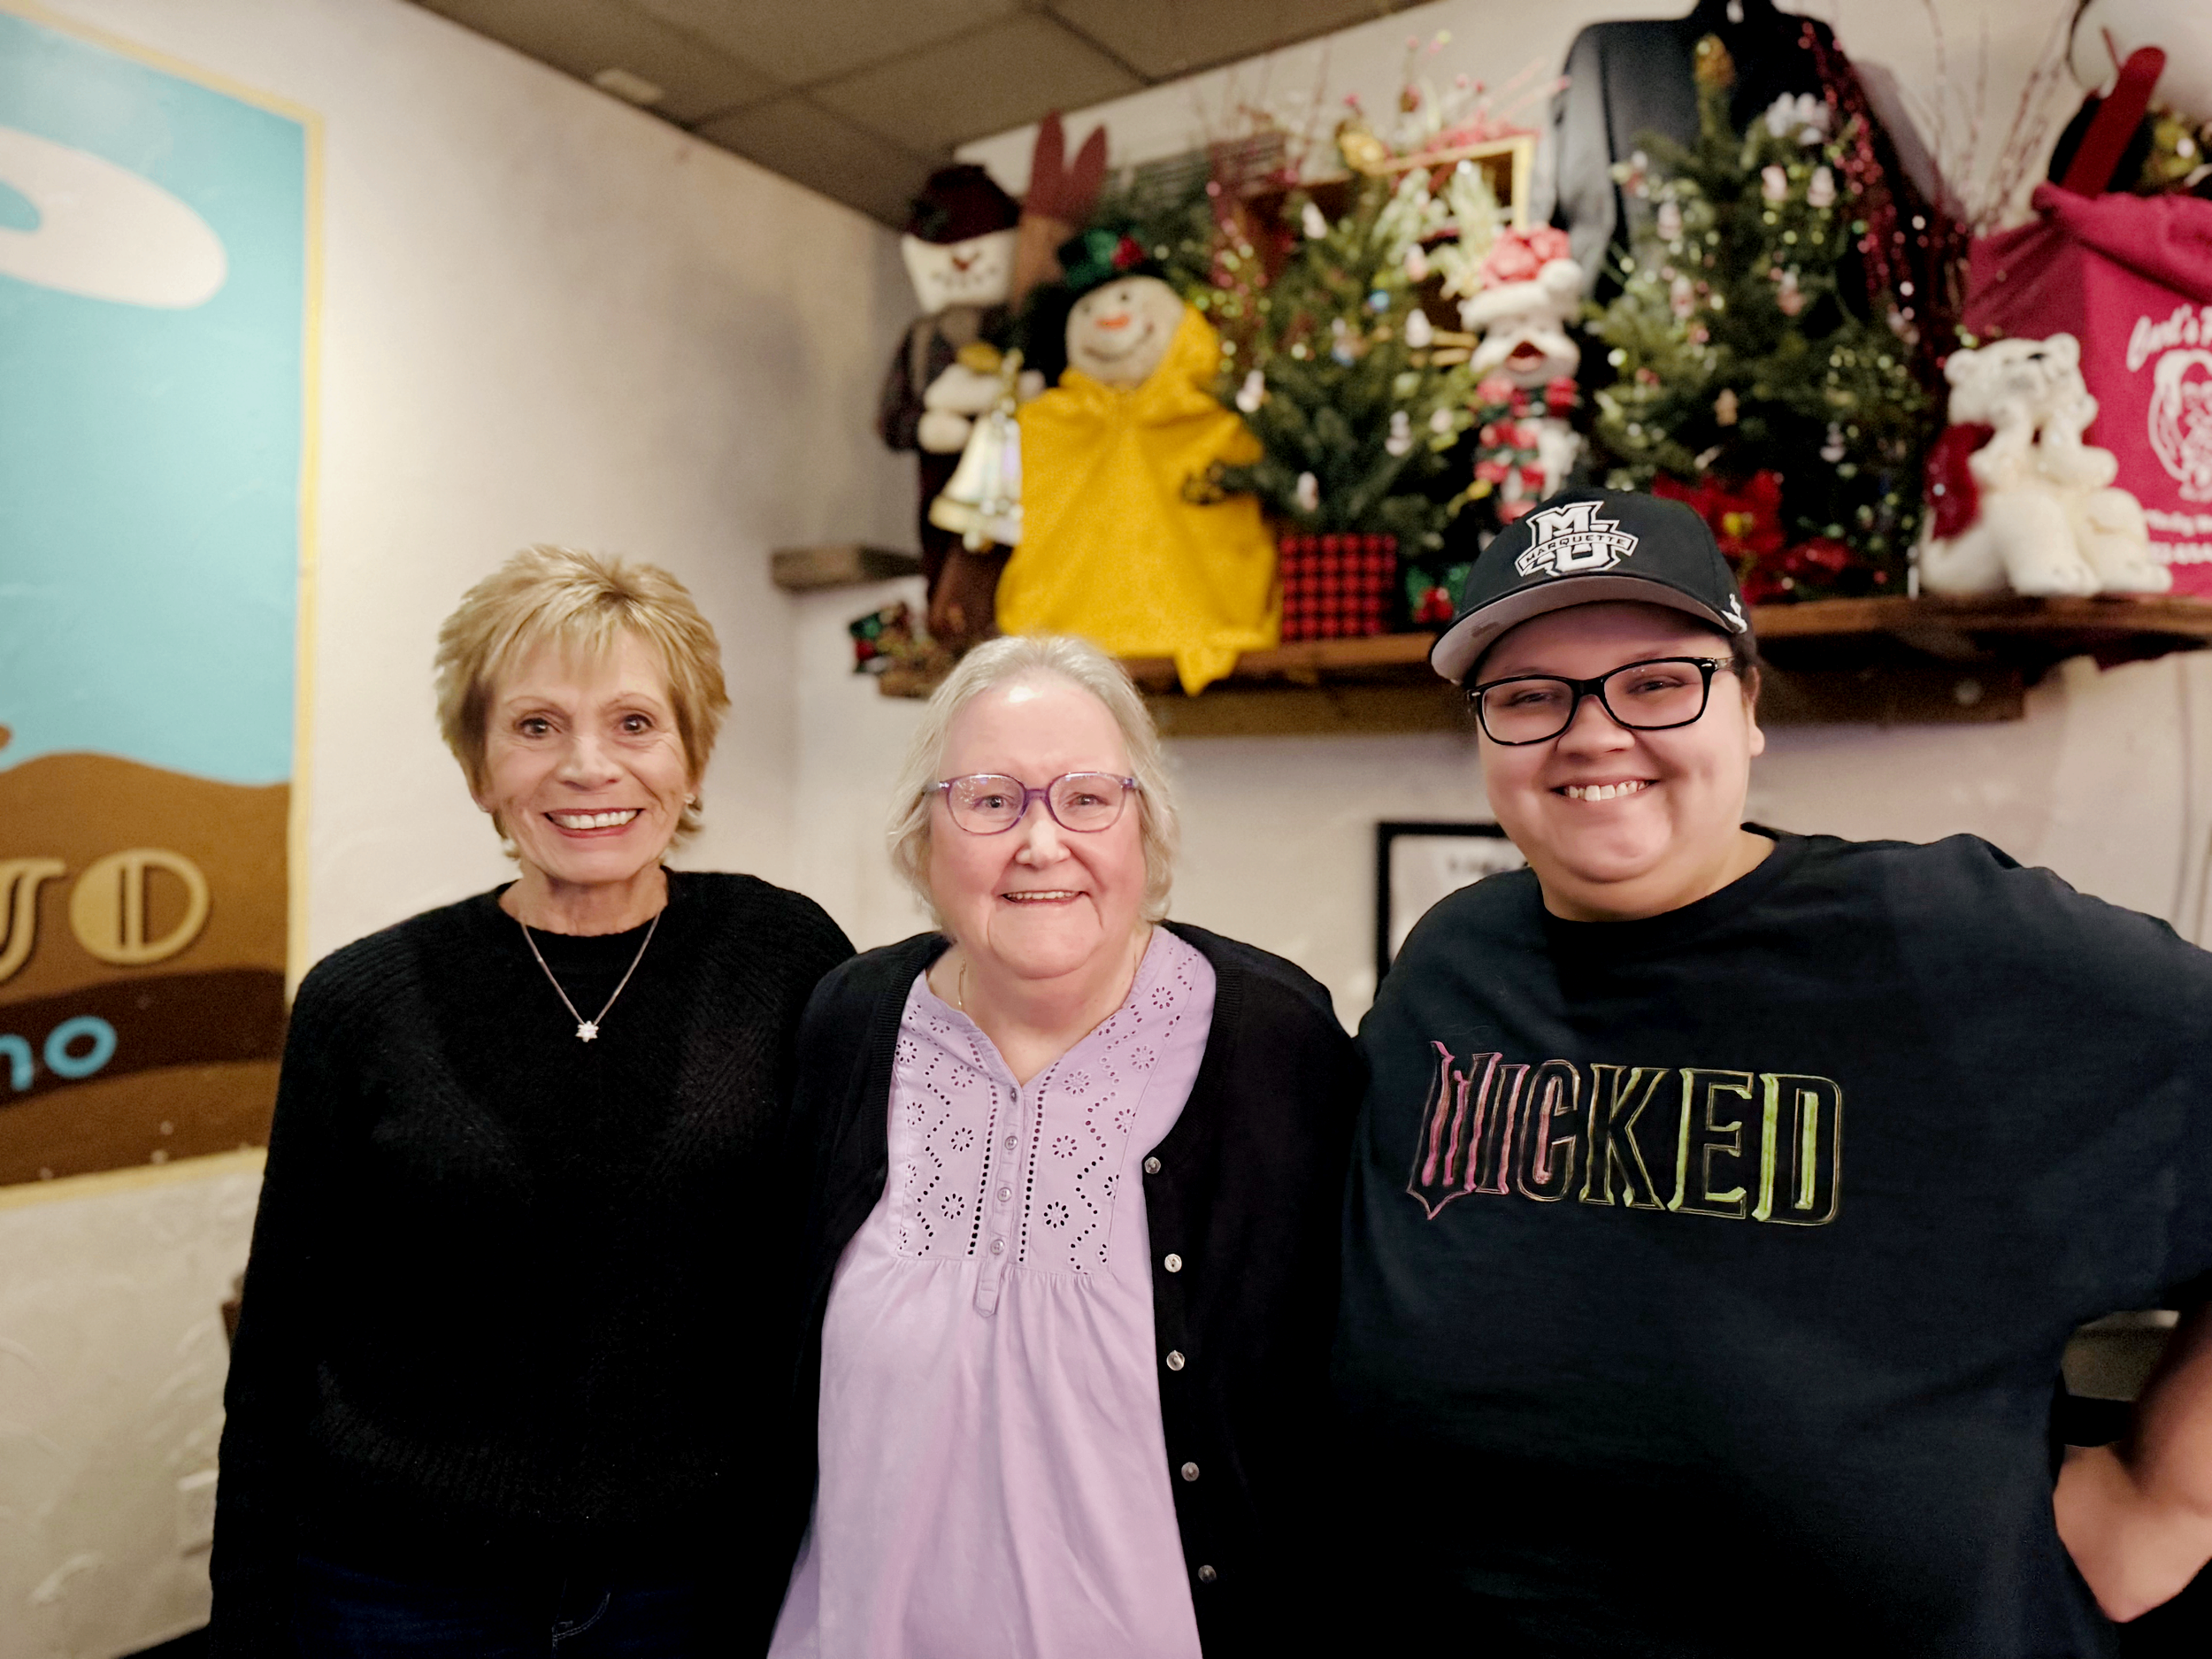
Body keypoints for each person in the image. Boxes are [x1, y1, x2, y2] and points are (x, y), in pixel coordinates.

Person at [1332, 489, 2212, 1656]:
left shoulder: (1944, 936)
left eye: (1655, 681)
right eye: (1529, 694)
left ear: (1747, 706)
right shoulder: (1455, 958)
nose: (1591, 733)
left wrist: (2169, 1502)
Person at [209, 547, 853, 1656]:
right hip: (400, 1591)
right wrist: (249, 1618)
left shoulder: (784, 956)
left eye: (636, 724)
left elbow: (843, 1272)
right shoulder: (363, 1001)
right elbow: (278, 1342)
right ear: (479, 769)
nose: (588, 767)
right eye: (538, 726)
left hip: (695, 1587)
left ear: (694, 758)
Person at [768, 634, 1362, 1658]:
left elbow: (1336, 1426)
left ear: (1146, 826)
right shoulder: (848, 1022)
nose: (1041, 843)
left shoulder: (1274, 1042)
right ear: (924, 837)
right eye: (990, 800)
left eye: (1087, 798)